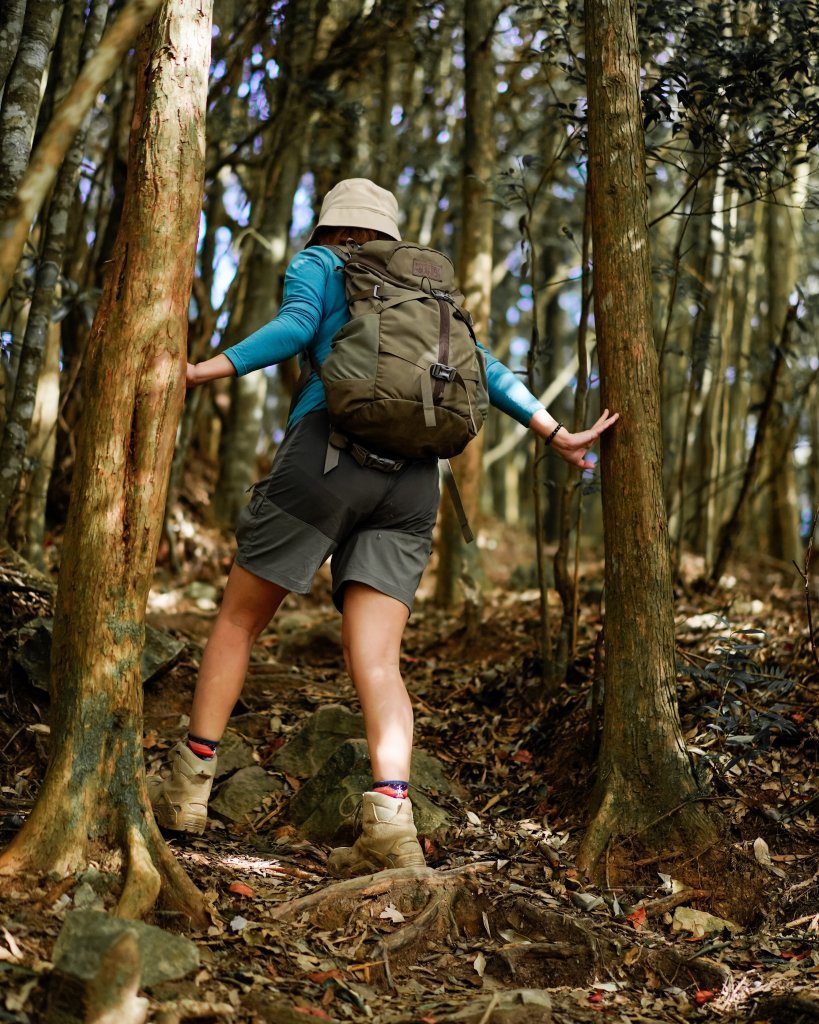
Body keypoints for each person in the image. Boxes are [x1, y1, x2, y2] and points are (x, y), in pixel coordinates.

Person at [148, 178, 618, 876]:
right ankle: (392, 821)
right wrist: (555, 433)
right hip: (413, 481)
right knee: (377, 660)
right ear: (388, 235)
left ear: (331, 228)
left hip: (326, 457)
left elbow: (295, 328)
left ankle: (189, 791)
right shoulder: (429, 295)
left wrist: (198, 371)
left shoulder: (323, 264)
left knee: (240, 622)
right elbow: (482, 369)